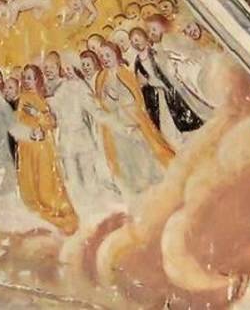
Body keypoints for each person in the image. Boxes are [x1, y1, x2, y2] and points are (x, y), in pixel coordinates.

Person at [94, 42, 172, 194]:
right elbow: (100, 101)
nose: (105, 59)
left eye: (108, 55)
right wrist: (108, 103)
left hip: (132, 120)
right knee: (125, 157)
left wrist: (120, 101)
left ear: (116, 55)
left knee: (143, 152)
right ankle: (137, 186)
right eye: (101, 56)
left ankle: (155, 182)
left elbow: (136, 97)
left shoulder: (125, 73)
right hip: (116, 126)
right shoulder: (101, 77)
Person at [13, 66, 79, 234]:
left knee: (46, 178)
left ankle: (52, 204)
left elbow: (51, 123)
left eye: (30, 78)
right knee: (32, 179)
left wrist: (39, 115)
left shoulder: (40, 98)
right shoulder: (24, 98)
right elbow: (19, 121)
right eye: (24, 78)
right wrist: (34, 127)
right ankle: (41, 206)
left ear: (37, 80)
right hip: (30, 145)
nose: (27, 81)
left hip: (43, 147)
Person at [44, 52, 116, 205]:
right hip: (65, 139)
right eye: (45, 67)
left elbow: (93, 109)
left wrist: (112, 120)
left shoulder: (78, 87)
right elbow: (52, 113)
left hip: (81, 137)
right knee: (72, 179)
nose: (48, 70)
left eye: (71, 69)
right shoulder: (55, 91)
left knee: (88, 175)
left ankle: (96, 206)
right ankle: (81, 207)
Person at [130, 28, 205, 144]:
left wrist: (180, 60)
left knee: (180, 109)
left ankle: (191, 133)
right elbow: (141, 80)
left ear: (145, 38)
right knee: (165, 119)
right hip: (156, 93)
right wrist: (145, 82)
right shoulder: (138, 62)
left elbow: (167, 58)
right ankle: (176, 140)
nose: (136, 43)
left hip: (168, 86)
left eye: (137, 39)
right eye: (133, 41)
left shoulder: (154, 52)